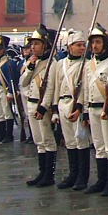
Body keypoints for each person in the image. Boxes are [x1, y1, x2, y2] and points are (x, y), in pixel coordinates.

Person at [44, 29, 92, 191]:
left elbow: (85, 89)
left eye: (83, 45)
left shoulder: (86, 65)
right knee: (70, 142)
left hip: (76, 104)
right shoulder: (60, 64)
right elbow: (56, 86)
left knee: (81, 142)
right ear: (69, 46)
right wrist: (56, 110)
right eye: (78, 45)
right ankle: (73, 174)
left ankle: (82, 177)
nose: (81, 48)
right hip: (63, 103)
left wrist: (80, 107)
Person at [84, 24, 108, 196]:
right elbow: (86, 89)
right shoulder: (88, 65)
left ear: (105, 44)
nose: (95, 46)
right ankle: (101, 180)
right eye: (93, 43)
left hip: (106, 110)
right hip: (93, 108)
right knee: (99, 146)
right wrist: (86, 110)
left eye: (98, 42)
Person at [22, 25, 59, 188]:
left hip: (41, 106)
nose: (33, 47)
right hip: (31, 103)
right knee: (39, 141)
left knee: (48, 141)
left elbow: (50, 87)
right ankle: (41, 172)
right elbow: (22, 82)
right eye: (32, 44)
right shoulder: (32, 63)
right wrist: (30, 66)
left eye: (36, 44)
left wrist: (43, 107)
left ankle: (49, 175)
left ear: (45, 45)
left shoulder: (51, 63)